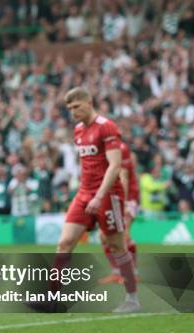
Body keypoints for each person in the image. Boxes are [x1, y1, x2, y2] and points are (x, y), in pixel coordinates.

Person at [44, 87, 139, 313]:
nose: (73, 112)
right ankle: (51, 297)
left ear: (89, 102)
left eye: (76, 107)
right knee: (65, 243)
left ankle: (132, 298)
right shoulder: (78, 130)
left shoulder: (107, 126)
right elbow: (86, 163)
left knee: (117, 244)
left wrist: (99, 196)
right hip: (84, 193)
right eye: (69, 109)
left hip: (108, 195)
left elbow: (115, 166)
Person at [99, 140, 140, 284]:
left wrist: (123, 205)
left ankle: (133, 274)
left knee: (124, 234)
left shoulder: (120, 149)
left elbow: (124, 178)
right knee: (104, 236)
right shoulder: (96, 148)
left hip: (128, 197)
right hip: (110, 196)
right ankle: (116, 272)